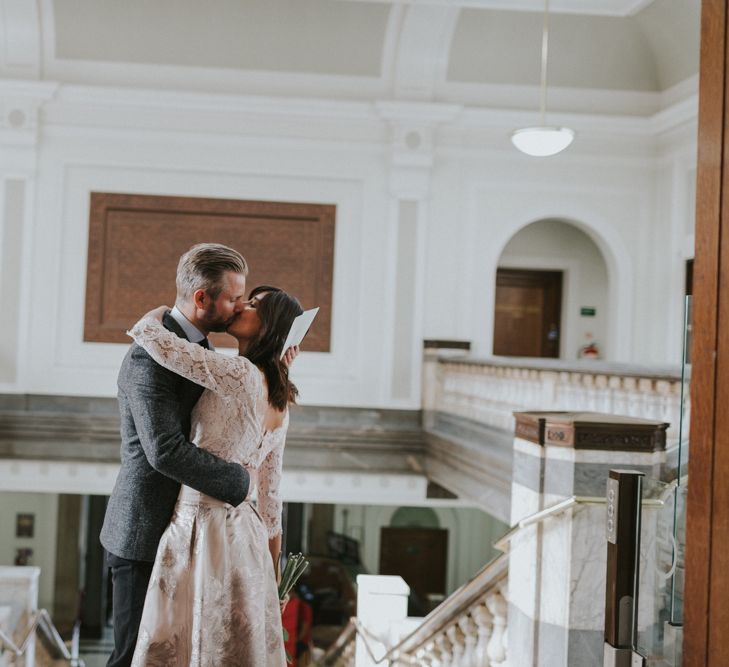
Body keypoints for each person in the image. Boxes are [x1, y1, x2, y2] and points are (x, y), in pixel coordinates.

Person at [127, 283, 303, 666]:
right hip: (248, 540)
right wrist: (272, 581)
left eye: (254, 305)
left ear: (270, 327)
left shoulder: (240, 375)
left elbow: (159, 343)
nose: (241, 305)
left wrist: (158, 313)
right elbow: (271, 502)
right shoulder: (280, 400)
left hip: (201, 531)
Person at [100, 243, 258, 667]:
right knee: (134, 657)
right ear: (201, 298)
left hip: (186, 531)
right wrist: (239, 482)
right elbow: (164, 450)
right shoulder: (146, 358)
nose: (239, 305)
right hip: (144, 531)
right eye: (233, 297)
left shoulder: (203, 353)